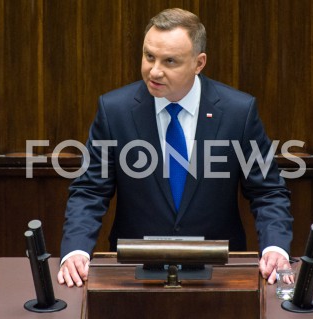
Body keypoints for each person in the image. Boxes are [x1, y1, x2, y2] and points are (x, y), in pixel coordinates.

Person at [57, 8, 293, 288]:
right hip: (135, 273)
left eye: (170, 61)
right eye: (149, 57)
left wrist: (275, 248)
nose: (154, 70)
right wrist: (76, 251)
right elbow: (90, 190)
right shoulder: (115, 111)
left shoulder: (237, 112)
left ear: (199, 62)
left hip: (219, 274)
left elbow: (267, 191)